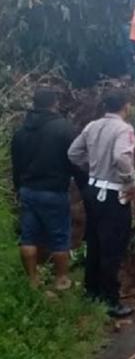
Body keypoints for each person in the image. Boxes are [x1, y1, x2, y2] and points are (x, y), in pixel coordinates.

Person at [68, 90, 135, 318]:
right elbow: (121, 158)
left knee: (95, 242)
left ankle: (92, 292)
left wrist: (92, 167)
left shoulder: (92, 126)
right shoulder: (124, 129)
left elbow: (73, 153)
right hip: (112, 194)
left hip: (92, 190)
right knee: (112, 247)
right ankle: (111, 300)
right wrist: (131, 182)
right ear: (125, 107)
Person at [11, 88, 83, 290]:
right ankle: (61, 280)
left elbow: (16, 165)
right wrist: (84, 185)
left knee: (28, 236)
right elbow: (75, 160)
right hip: (53, 191)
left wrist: (19, 188)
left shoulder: (21, 131)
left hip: (28, 190)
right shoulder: (63, 128)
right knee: (59, 237)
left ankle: (33, 280)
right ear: (54, 103)